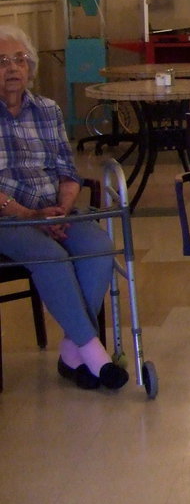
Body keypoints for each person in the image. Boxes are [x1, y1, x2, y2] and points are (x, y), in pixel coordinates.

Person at [0, 25, 128, 391]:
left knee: (100, 249)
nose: (12, 68)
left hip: (53, 211)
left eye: (19, 60)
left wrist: (59, 208)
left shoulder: (47, 110)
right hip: (8, 219)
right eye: (2, 62)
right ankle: (96, 358)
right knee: (50, 257)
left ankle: (72, 353)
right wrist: (27, 215)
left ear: (31, 66)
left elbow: (67, 173)